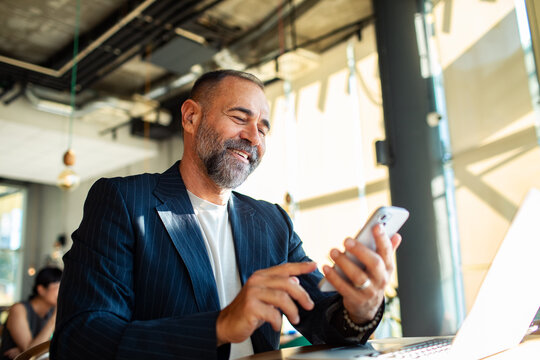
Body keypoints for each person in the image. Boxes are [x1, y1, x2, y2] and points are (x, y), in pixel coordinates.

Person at [51, 70, 402, 360]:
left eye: (263, 128)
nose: (253, 137)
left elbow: (320, 316)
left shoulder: (272, 222)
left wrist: (361, 307)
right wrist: (219, 325)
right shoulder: (125, 201)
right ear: (191, 117)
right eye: (239, 118)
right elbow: (81, 339)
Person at [0, 267, 62, 359]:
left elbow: (56, 346)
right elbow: (31, 353)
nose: (62, 292)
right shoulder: (19, 309)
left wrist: (22, 351)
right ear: (41, 290)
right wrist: (54, 318)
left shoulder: (51, 311)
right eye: (58, 287)